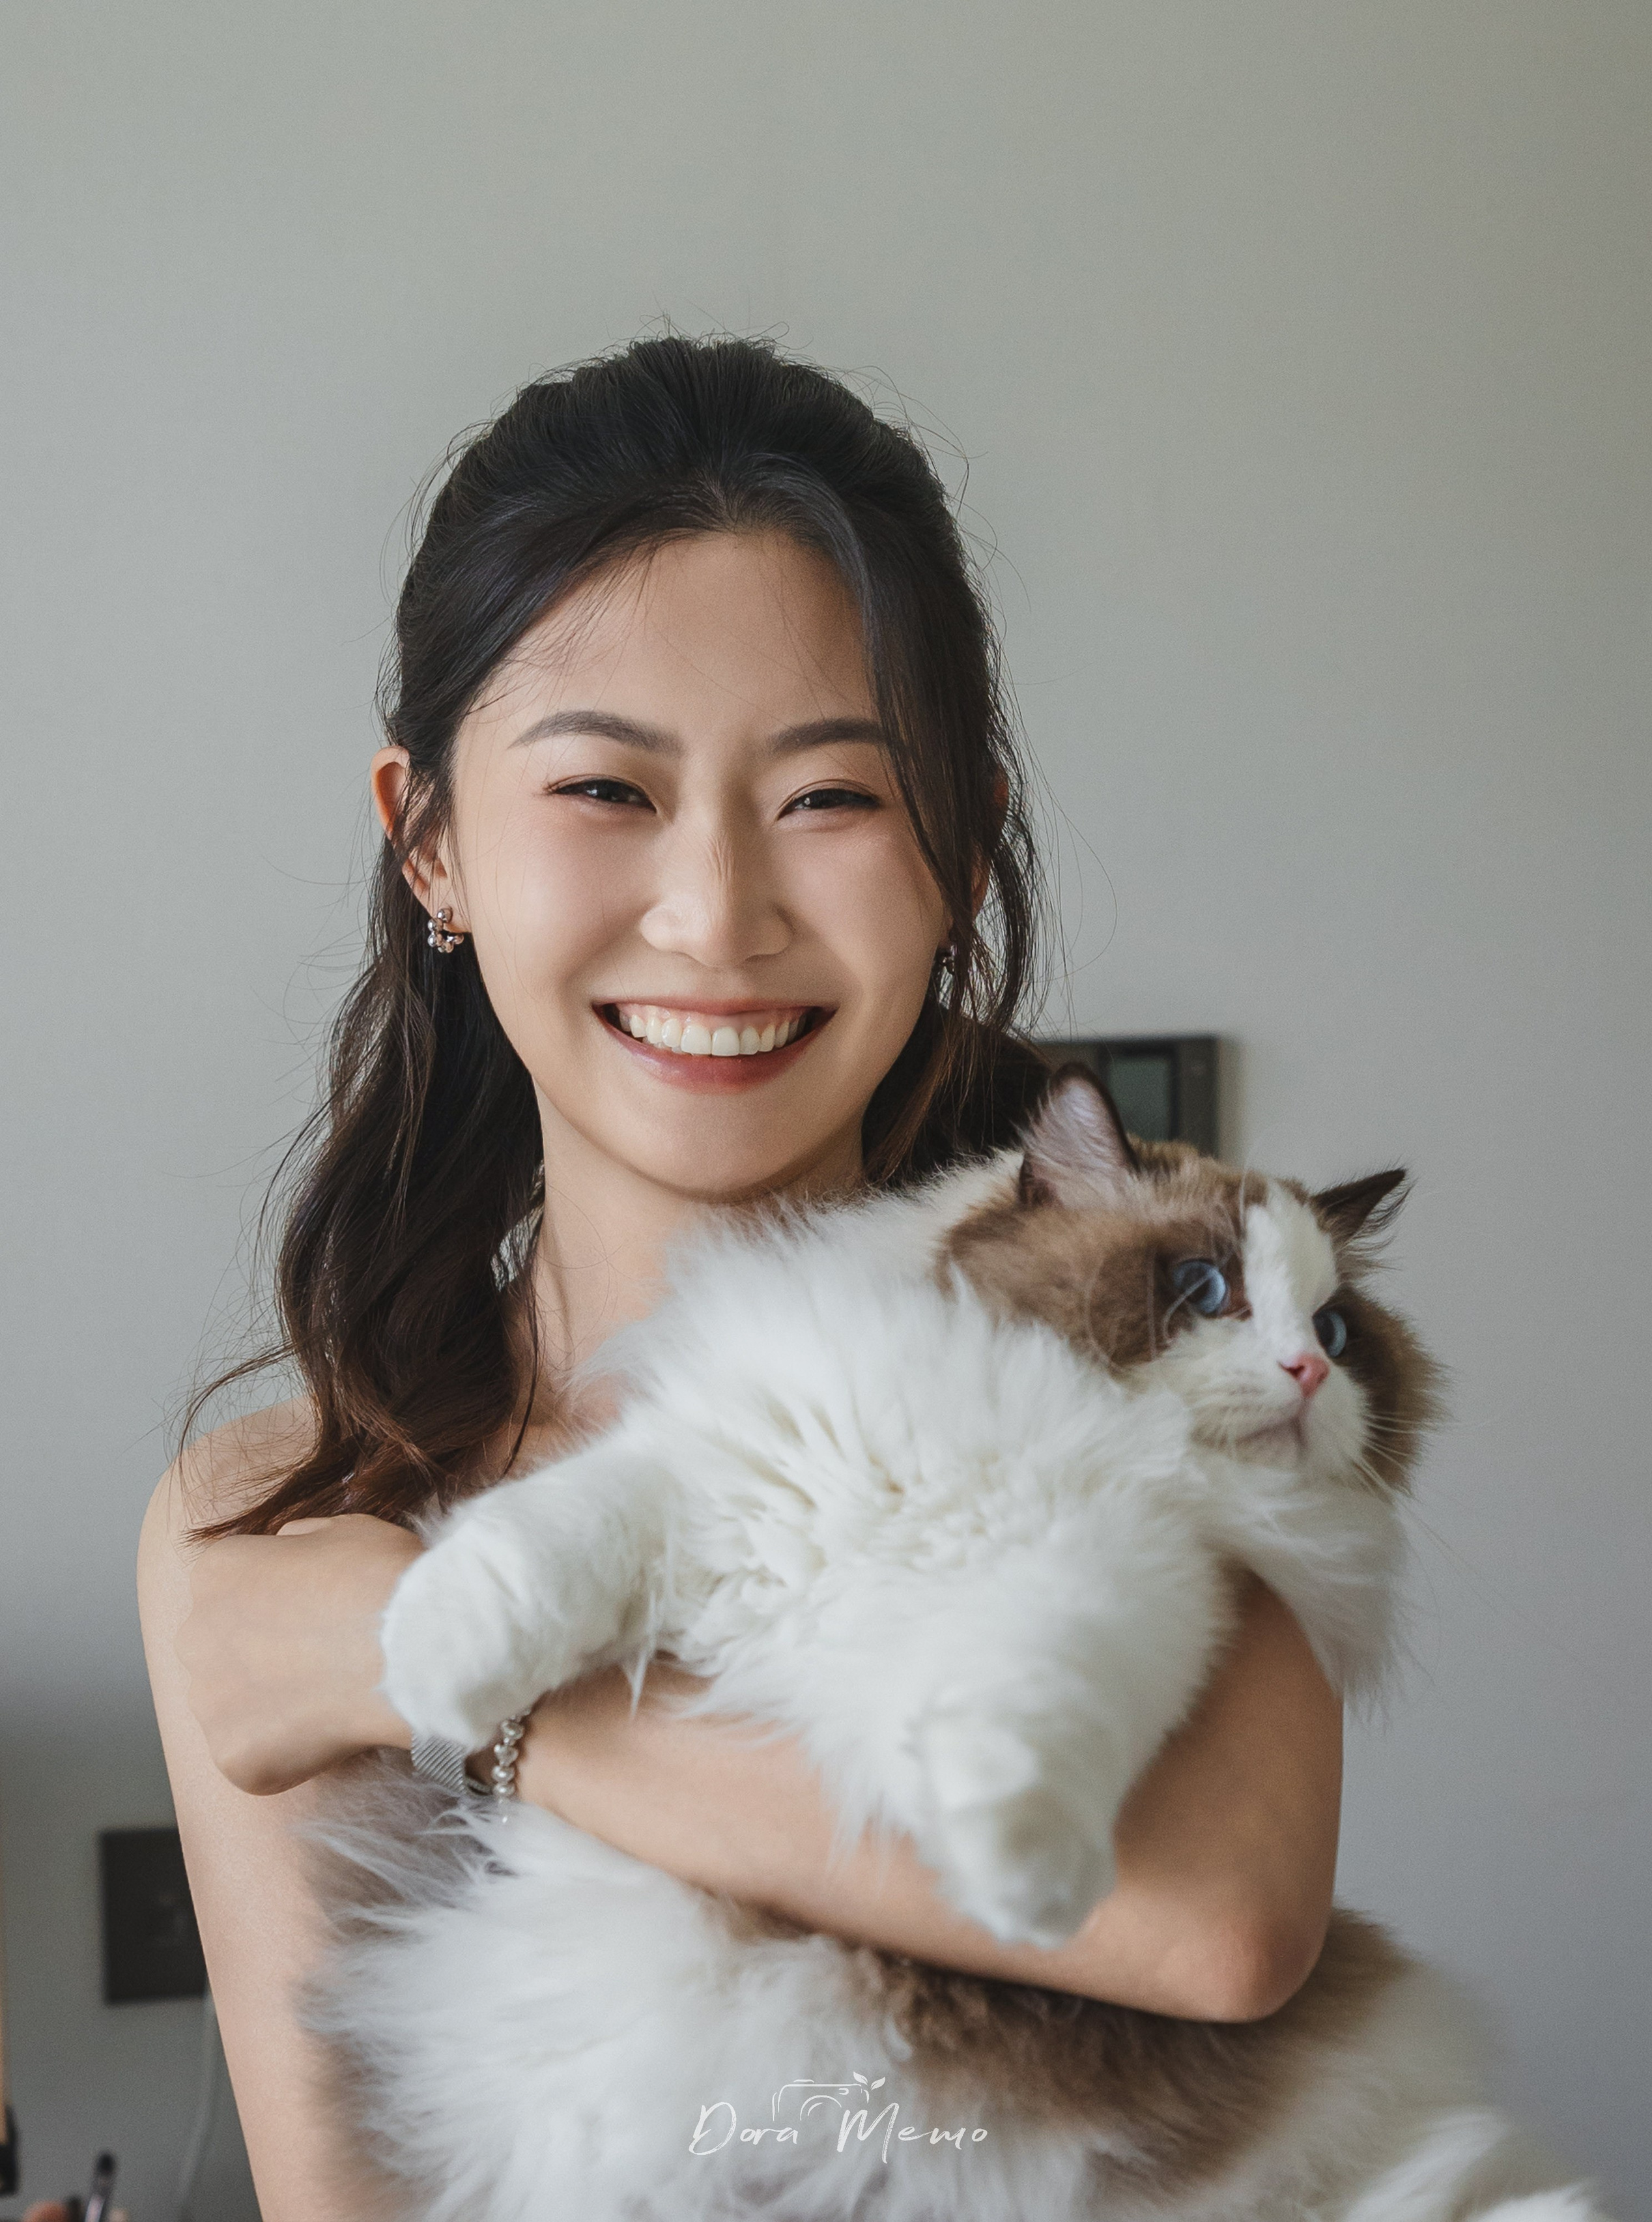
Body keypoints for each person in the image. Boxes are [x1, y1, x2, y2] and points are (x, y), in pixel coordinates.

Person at [137, 336, 1343, 2221]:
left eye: (832, 797)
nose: (716, 913)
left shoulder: (1164, 1358)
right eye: (605, 789)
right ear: (431, 838)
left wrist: (453, 1674)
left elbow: (1217, 1916)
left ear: (963, 846)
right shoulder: (276, 1518)